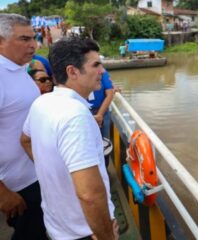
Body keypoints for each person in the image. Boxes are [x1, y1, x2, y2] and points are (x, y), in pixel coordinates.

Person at [21, 37, 119, 240]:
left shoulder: (42, 103)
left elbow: (25, 140)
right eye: (96, 65)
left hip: (56, 224)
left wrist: (53, 173)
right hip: (84, 231)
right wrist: (107, 236)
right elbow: (90, 195)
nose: (102, 71)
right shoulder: (76, 116)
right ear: (72, 71)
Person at [0, 13, 47, 239]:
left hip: (34, 175)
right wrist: (2, 193)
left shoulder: (18, 70)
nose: (33, 45)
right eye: (24, 39)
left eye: (34, 37)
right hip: (16, 185)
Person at [88, 70, 114, 138]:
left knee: (104, 137)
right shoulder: (78, 74)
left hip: (102, 110)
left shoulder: (102, 73)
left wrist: (100, 115)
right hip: (86, 112)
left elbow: (110, 94)